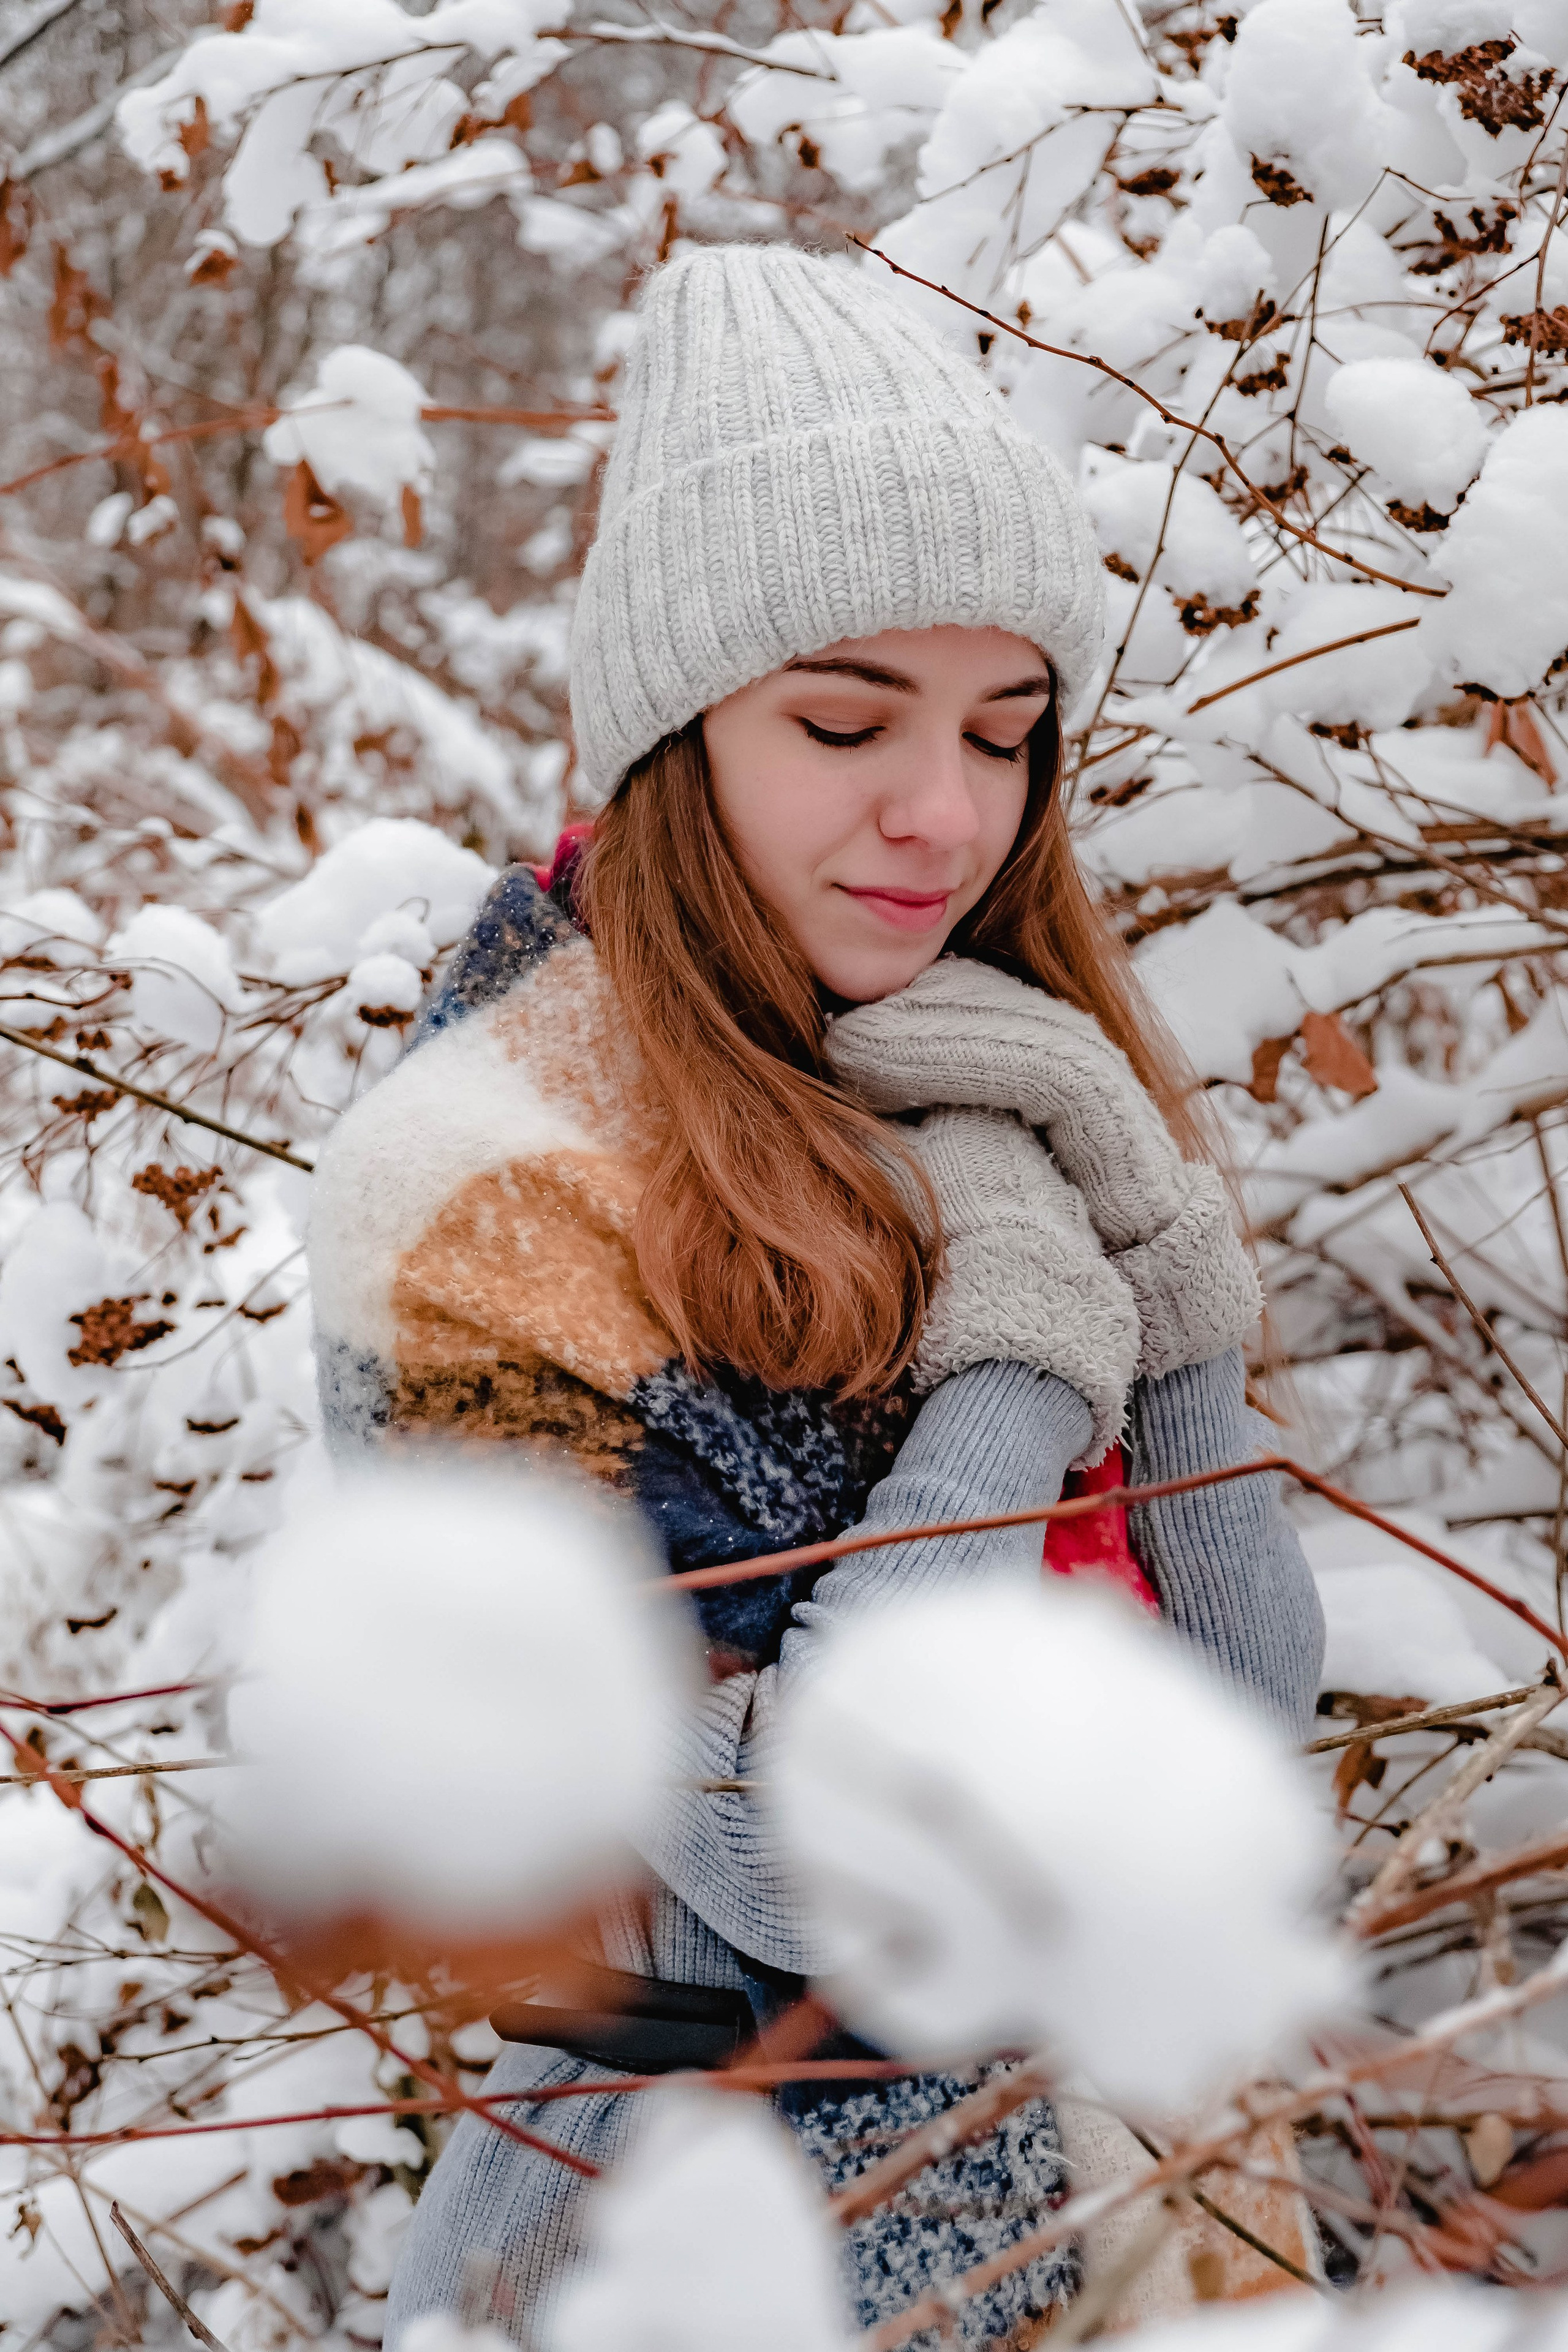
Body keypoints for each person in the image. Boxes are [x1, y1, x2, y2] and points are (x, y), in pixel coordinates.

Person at [306, 243, 1325, 2347]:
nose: (944, 812)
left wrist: (1160, 1252)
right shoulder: (484, 1185)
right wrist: (1025, 1363)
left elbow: (1238, 1718)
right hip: (754, 2239)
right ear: (669, 738)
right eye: (846, 718)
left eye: (1006, 729)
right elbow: (805, 1870)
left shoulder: (975, 1078)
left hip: (1159, 2162)